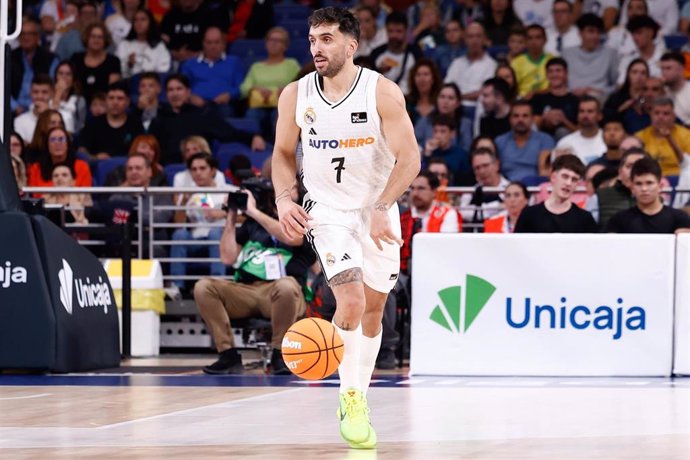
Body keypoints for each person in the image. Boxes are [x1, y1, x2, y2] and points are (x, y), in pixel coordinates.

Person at [271, 7, 420, 449]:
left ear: (351, 45)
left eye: (327, 39)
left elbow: (410, 159)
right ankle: (350, 396)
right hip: (327, 211)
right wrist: (283, 198)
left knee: (374, 310)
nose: (317, 47)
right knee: (351, 300)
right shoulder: (295, 94)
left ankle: (360, 388)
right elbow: (282, 153)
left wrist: (383, 203)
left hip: (376, 208)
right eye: (313, 39)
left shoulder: (382, 92)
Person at [194, 178, 316, 375]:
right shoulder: (251, 226)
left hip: (285, 292)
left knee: (285, 285)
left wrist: (253, 212)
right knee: (203, 287)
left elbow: (293, 238)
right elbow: (227, 257)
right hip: (248, 290)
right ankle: (228, 354)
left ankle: (280, 354)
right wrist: (232, 216)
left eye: (290, 187)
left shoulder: (304, 218)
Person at [148, 74, 265, 165]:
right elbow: (150, 146)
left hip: (199, 168)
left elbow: (229, 133)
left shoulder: (202, 115)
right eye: (170, 90)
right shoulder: (159, 119)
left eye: (179, 89)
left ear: (188, 92)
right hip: (168, 168)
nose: (175, 94)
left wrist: (252, 137)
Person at [171, 153, 229, 290]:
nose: (198, 173)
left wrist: (223, 213)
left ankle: (218, 284)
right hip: (196, 240)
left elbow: (245, 217)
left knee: (215, 233)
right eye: (194, 169)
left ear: (213, 170)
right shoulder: (189, 194)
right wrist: (184, 201)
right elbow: (178, 224)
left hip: (220, 239)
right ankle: (176, 287)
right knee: (179, 235)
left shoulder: (228, 191)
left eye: (202, 168)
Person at [240, 27, 301, 143]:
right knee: (251, 114)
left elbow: (301, 84)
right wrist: (255, 88)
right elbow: (243, 89)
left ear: (286, 46)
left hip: (282, 105)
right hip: (258, 105)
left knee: (279, 114)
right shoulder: (256, 67)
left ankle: (280, 148)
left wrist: (286, 89)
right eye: (271, 40)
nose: (273, 44)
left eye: (278, 41)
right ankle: (255, 143)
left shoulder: (291, 64)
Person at [515, 154, 597, 232]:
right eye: (565, 176)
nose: (568, 183)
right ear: (553, 177)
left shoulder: (585, 219)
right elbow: (517, 245)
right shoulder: (529, 215)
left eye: (574, 179)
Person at [400, 170, 461, 275]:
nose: (415, 193)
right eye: (412, 188)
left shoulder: (447, 214)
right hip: (403, 272)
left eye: (421, 188)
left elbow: (448, 248)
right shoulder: (403, 216)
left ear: (434, 191)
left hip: (438, 269)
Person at [606, 157, 690, 234]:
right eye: (638, 183)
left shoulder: (679, 219)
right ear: (632, 187)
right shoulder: (619, 221)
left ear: (660, 186)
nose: (644, 189)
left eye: (649, 183)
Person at [180, 26, 244, 117]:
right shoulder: (190, 64)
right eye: (209, 43)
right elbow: (183, 87)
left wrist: (229, 95)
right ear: (203, 44)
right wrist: (191, 97)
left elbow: (241, 87)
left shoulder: (234, 62)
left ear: (223, 44)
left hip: (224, 106)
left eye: (216, 42)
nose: (213, 46)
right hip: (197, 105)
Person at [78, 81, 144, 159]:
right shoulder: (93, 123)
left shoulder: (135, 124)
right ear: (106, 101)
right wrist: (94, 158)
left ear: (127, 102)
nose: (115, 102)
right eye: (111, 98)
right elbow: (81, 149)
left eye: (120, 98)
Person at [586, 147, 647, 229]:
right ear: (620, 172)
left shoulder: (659, 202)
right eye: (629, 166)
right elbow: (587, 235)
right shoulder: (598, 197)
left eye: (640, 166)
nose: (634, 171)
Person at [444, 22, 497, 114]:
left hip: (477, 109)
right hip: (454, 109)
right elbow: (447, 86)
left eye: (478, 36)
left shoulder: (491, 65)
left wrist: (459, 97)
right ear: (465, 39)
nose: (474, 40)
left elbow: (484, 93)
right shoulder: (457, 63)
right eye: (470, 36)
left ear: (484, 39)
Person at [561, 13, 618, 99]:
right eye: (591, 31)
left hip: (600, 99)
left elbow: (615, 86)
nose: (595, 36)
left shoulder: (610, 54)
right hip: (571, 99)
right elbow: (560, 84)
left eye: (598, 32)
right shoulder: (567, 54)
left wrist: (597, 91)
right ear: (580, 33)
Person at [10, 18, 59, 117]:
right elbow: (3, 87)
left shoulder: (50, 58)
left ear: (38, 37)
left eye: (30, 34)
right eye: (23, 34)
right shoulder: (10, 57)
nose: (26, 37)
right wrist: (15, 107)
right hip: (14, 110)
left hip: (43, 108)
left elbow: (54, 87)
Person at [496, 100, 555, 181]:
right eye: (516, 116)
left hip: (535, 187)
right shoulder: (499, 142)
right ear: (510, 119)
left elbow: (544, 173)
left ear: (533, 119)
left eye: (525, 116)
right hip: (505, 188)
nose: (520, 120)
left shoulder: (545, 140)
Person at [635, 97, 690, 176]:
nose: (660, 117)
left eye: (666, 113)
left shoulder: (687, 136)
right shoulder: (639, 137)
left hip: (679, 179)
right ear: (650, 115)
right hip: (648, 180)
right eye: (656, 113)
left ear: (674, 116)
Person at [370, 12, 422, 95]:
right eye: (391, 31)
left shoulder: (416, 53)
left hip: (409, 99)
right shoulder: (376, 53)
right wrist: (379, 72)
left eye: (399, 31)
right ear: (386, 30)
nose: (394, 35)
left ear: (406, 31)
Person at [70, 22, 121, 103]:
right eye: (93, 36)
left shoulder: (113, 61)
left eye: (100, 37)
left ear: (105, 40)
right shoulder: (76, 59)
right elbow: (71, 84)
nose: (96, 40)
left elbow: (113, 89)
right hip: (78, 103)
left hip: (103, 104)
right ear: (87, 38)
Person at [530, 57, 579, 139]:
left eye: (558, 71)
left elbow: (581, 133)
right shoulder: (538, 98)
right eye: (550, 71)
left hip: (569, 144)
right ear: (546, 75)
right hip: (542, 142)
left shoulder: (575, 100)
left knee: (562, 132)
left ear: (566, 74)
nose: (554, 75)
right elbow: (532, 129)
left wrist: (563, 120)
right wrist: (545, 117)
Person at [26, 126, 92, 187]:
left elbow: (84, 195)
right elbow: (35, 196)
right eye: (53, 139)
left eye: (61, 139)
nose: (57, 143)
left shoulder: (82, 167)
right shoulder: (36, 169)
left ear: (67, 144)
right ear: (47, 145)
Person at [14, 75, 72, 143]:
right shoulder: (19, 121)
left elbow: (66, 143)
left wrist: (47, 113)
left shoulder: (65, 117)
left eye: (44, 92)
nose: (40, 96)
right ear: (30, 93)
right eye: (35, 92)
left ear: (52, 93)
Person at [460, 147, 510, 224]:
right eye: (477, 168)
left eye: (485, 165)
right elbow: (463, 213)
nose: (482, 171)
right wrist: (497, 206)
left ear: (497, 164)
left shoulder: (511, 188)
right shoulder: (470, 192)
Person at [116, 9, 171, 79]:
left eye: (143, 20)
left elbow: (163, 71)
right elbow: (118, 71)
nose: (139, 23)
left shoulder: (159, 46)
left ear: (150, 23)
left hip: (152, 84)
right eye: (136, 20)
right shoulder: (124, 45)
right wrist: (129, 64)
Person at [555, 95, 606, 166]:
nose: (585, 115)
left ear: (600, 116)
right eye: (581, 111)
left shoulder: (610, 140)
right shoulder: (565, 143)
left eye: (590, 111)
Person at [616, 15, 665, 86]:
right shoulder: (627, 59)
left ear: (651, 32)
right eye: (633, 34)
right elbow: (621, 84)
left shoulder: (666, 57)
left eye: (639, 33)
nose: (635, 38)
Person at [422, 115, 470, 182]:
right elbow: (422, 176)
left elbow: (466, 179)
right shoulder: (429, 153)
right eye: (435, 131)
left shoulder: (461, 154)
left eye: (443, 131)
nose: (438, 135)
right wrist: (427, 154)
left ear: (452, 134)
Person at [510, 24, 554, 98]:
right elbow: (512, 89)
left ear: (545, 40)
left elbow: (557, 87)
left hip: (548, 99)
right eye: (530, 38)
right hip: (522, 102)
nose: (534, 42)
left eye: (538, 37)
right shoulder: (516, 63)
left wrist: (536, 93)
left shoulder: (553, 60)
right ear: (525, 41)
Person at [603, 58, 649, 122]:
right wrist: (621, 109)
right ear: (628, 75)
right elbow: (605, 118)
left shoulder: (652, 96)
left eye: (643, 73)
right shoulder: (616, 98)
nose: (639, 76)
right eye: (634, 72)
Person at [52, 61, 87, 134]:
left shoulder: (79, 100)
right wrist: (58, 94)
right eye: (60, 73)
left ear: (73, 79)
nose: (64, 77)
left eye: (68, 74)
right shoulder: (47, 96)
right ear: (56, 76)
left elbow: (81, 127)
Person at [660, 51, 690, 126]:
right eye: (662, 69)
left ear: (681, 70)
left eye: (668, 68)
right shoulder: (660, 91)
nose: (664, 72)